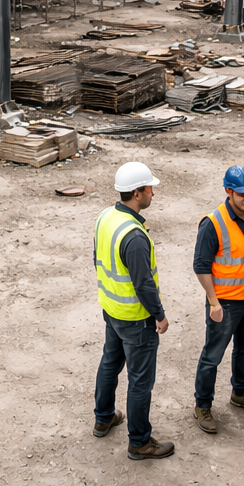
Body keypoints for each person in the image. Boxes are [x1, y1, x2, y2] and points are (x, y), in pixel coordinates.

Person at [92, 161, 175, 461]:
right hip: (136, 320)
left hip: (112, 311)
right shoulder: (135, 236)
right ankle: (139, 441)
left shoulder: (105, 217)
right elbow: (143, 284)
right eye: (149, 188)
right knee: (140, 381)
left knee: (109, 364)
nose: (153, 192)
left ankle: (103, 418)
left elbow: (97, 259)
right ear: (137, 193)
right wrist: (160, 315)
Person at [191, 165, 244, 434]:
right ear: (229, 191)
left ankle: (240, 393)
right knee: (212, 356)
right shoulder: (213, 223)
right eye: (242, 194)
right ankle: (202, 405)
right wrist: (214, 302)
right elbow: (201, 265)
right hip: (226, 303)